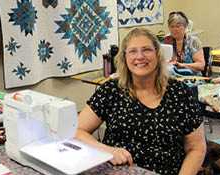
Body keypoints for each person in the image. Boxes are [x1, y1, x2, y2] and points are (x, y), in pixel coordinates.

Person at [75, 28, 206, 175]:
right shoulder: (111, 90)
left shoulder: (180, 93)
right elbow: (77, 131)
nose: (140, 57)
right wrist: (108, 151)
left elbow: (197, 148)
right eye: (132, 51)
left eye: (146, 50)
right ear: (124, 57)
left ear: (157, 54)